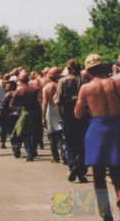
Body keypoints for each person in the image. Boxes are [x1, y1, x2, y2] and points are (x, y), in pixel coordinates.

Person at [75, 54, 120, 221]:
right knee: (117, 172)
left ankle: (105, 212)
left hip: (97, 129)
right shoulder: (117, 82)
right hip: (117, 126)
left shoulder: (86, 88)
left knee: (98, 175)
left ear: (88, 71)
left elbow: (78, 114)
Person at [55, 59, 89, 183]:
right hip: (82, 113)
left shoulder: (62, 81)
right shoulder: (84, 81)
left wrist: (62, 116)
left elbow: (58, 101)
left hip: (68, 112)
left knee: (69, 143)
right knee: (83, 144)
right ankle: (81, 170)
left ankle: (72, 164)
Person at [10, 71, 41, 161]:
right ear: (28, 79)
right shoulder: (35, 89)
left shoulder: (19, 90)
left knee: (20, 133)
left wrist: (18, 109)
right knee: (34, 133)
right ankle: (33, 151)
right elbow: (40, 100)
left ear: (19, 80)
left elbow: (11, 104)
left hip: (24, 113)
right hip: (35, 113)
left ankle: (27, 153)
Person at [41, 67, 64, 163]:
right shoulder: (60, 85)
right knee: (61, 133)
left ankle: (55, 157)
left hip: (51, 109)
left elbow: (44, 102)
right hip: (60, 108)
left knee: (51, 134)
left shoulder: (46, 87)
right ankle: (64, 153)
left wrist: (43, 117)